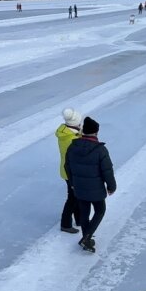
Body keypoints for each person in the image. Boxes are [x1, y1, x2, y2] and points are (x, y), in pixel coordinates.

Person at [65, 116, 116, 252]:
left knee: (84, 213)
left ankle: (85, 238)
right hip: (96, 189)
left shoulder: (72, 146)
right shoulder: (100, 150)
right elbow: (107, 170)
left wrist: (72, 183)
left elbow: (67, 166)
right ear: (95, 132)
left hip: (79, 188)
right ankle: (86, 238)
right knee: (100, 210)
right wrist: (111, 186)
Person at [56, 107, 83, 235]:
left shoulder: (65, 132)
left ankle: (79, 219)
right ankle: (65, 224)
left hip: (66, 170)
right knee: (72, 197)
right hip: (71, 172)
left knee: (76, 195)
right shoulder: (71, 139)